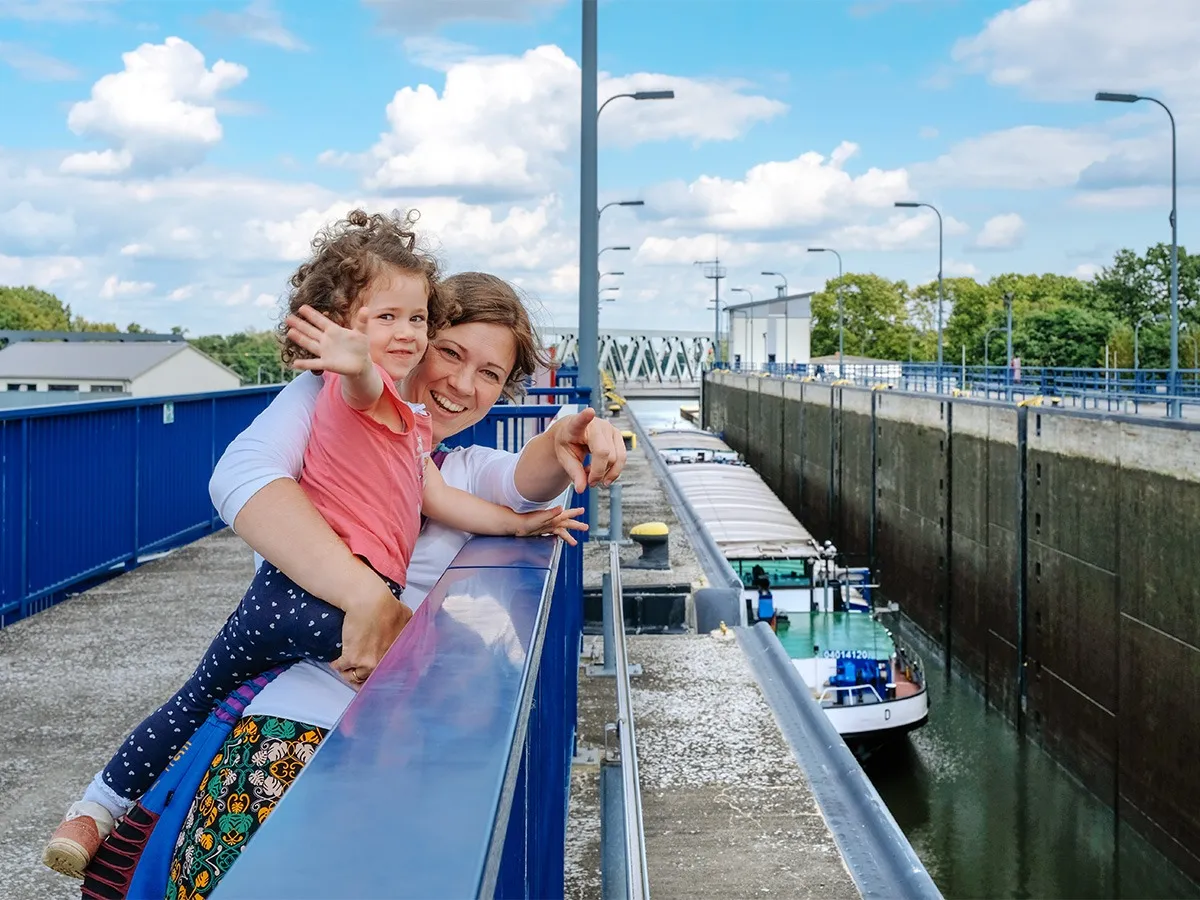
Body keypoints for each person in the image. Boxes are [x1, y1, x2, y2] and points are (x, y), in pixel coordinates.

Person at [45, 212, 585, 880]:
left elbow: (519, 481)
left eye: (490, 374)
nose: (461, 384)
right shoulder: (331, 394)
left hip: (393, 726)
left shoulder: (442, 458)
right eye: (449, 351)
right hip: (305, 696)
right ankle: (99, 808)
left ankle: (99, 807)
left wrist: (569, 442)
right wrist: (368, 597)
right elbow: (241, 473)